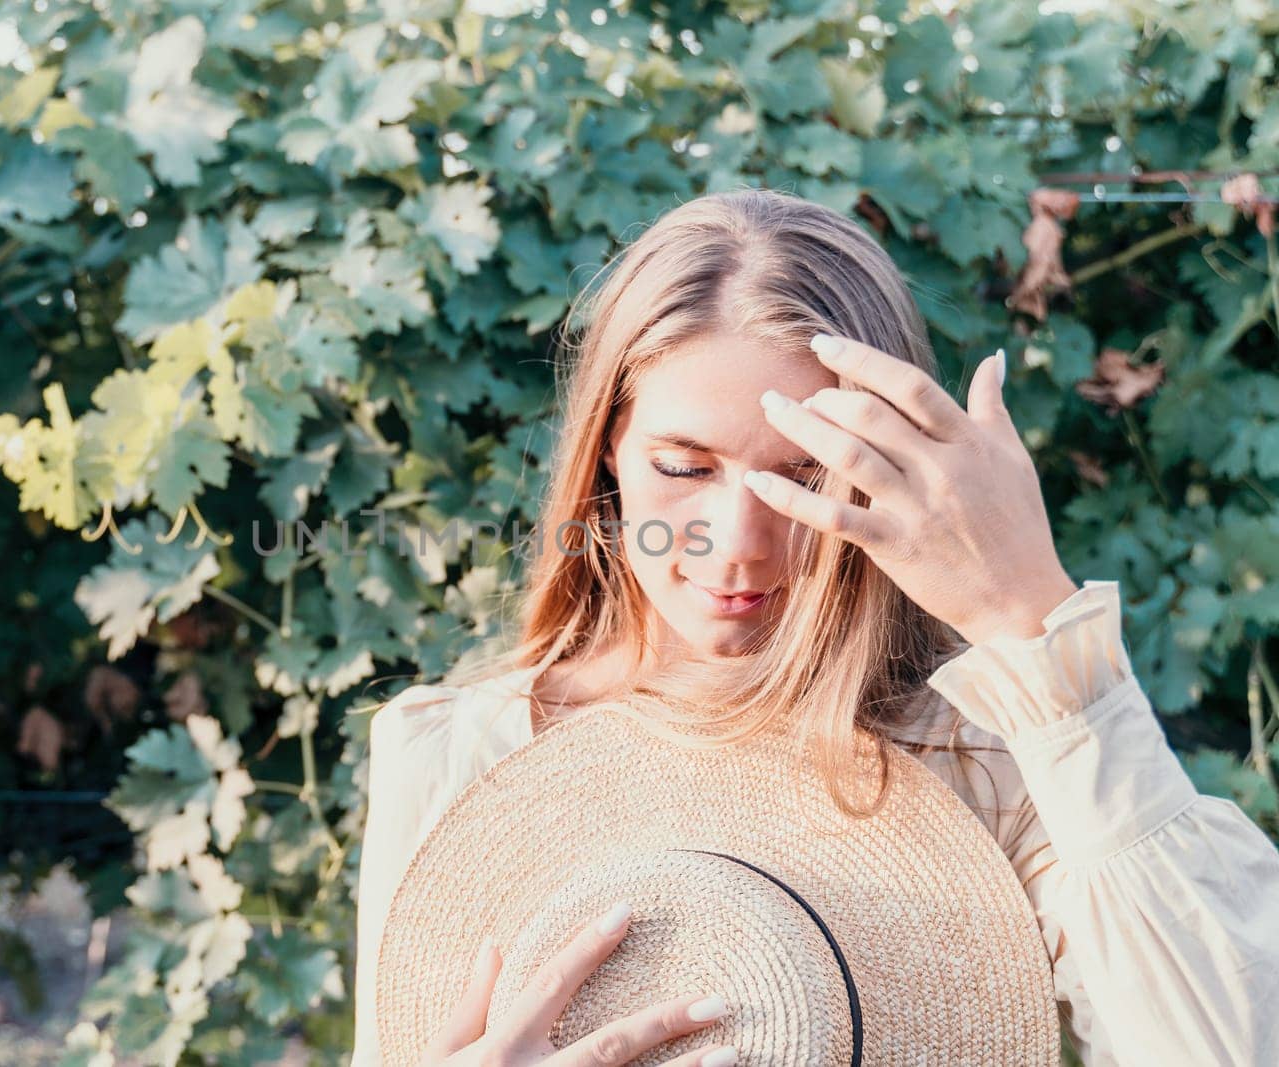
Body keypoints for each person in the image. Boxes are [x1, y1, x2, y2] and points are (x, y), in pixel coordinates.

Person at [349, 188, 1279, 1066]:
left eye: (803, 481)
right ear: (606, 458)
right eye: (682, 466)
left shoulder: (994, 760)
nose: (739, 548)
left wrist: (1026, 609)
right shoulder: (459, 751)